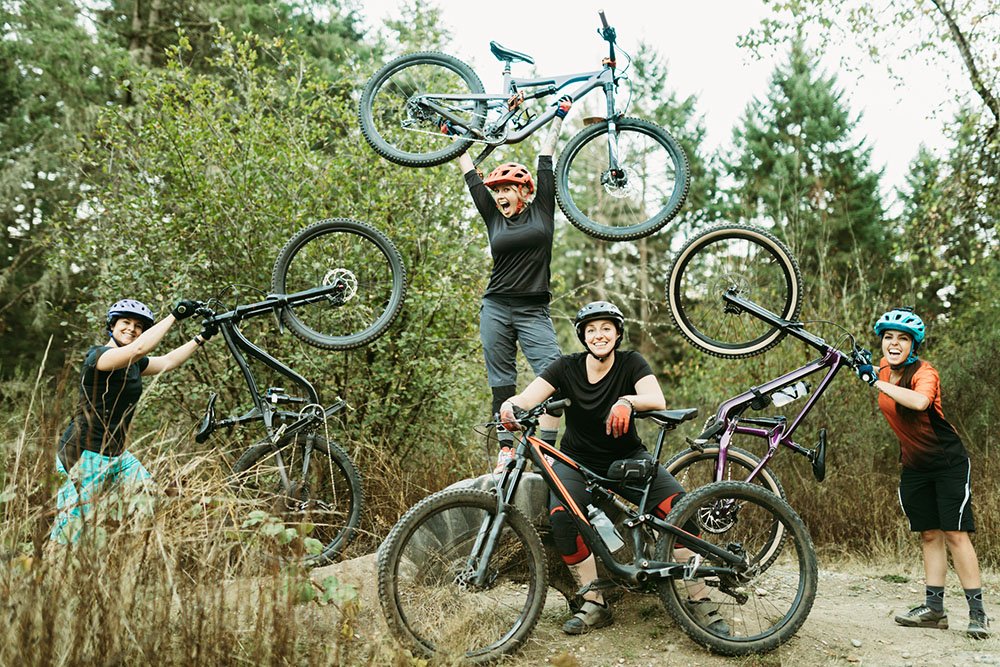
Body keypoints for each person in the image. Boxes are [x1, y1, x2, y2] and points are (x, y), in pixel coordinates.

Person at [500, 301, 728, 635]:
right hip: (576, 462)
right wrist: (508, 408)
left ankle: (699, 597)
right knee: (563, 518)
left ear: (617, 333)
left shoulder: (631, 362)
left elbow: (656, 399)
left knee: (679, 511)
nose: (599, 335)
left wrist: (626, 401)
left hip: (629, 457)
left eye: (606, 328)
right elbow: (525, 398)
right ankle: (594, 603)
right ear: (582, 336)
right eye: (591, 330)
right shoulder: (565, 367)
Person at [453, 95, 574, 474]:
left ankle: (547, 454)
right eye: (497, 190)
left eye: (507, 188)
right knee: (501, 381)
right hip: (496, 307)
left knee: (557, 378)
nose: (501, 195)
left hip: (534, 309)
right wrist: (455, 138)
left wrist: (558, 117)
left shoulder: (543, 210)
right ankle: (506, 449)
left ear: (524, 192)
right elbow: (471, 176)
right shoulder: (493, 217)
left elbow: (545, 161)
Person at [856, 307, 990, 639]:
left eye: (902, 338)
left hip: (947, 464)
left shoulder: (925, 372)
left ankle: (978, 614)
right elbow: (878, 371)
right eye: (888, 337)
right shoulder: (885, 370)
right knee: (929, 534)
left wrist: (875, 381)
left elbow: (919, 402)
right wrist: (860, 365)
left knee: (956, 534)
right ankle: (934, 611)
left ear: (913, 344)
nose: (894, 343)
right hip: (914, 466)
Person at [50, 298, 215, 544]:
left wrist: (201, 338)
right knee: (70, 534)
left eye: (138, 326)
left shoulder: (135, 365)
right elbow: (138, 349)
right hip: (84, 456)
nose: (131, 329)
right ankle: (52, 574)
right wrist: (174, 316)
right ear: (112, 326)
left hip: (117, 456)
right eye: (125, 322)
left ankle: (129, 557)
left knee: (152, 499)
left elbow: (169, 361)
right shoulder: (98, 357)